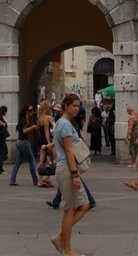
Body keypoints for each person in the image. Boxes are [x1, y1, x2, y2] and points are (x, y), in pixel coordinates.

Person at [50, 93, 90, 256]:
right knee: (70, 209)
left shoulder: (60, 122)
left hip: (65, 168)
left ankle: (61, 238)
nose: (77, 108)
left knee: (82, 205)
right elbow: (68, 150)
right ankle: (66, 248)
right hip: (67, 169)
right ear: (65, 106)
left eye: (78, 105)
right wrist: (74, 174)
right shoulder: (65, 125)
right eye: (74, 105)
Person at [9, 105, 39, 186]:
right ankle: (35, 180)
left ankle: (12, 179)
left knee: (18, 162)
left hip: (19, 142)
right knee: (32, 161)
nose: (32, 112)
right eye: (30, 110)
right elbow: (24, 131)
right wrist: (33, 127)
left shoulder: (23, 119)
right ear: (26, 112)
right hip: (24, 143)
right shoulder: (24, 120)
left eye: (32, 110)